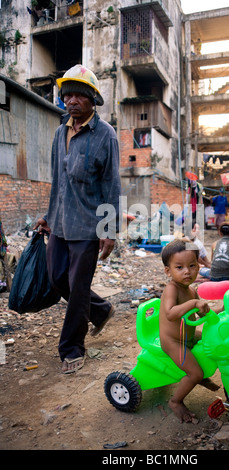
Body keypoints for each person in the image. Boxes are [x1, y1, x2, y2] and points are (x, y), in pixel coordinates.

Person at [34, 65, 121, 374]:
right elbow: (58, 179)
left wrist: (109, 230)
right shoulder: (60, 132)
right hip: (59, 221)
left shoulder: (105, 134)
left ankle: (72, 348)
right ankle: (101, 309)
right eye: (67, 94)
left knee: (77, 287)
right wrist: (48, 215)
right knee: (58, 278)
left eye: (78, 95)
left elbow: (112, 184)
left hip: (87, 225)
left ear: (92, 99)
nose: (71, 100)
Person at [159, 239, 220, 423]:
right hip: (173, 342)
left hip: (189, 336)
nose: (187, 271)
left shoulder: (191, 290)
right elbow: (170, 314)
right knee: (195, 373)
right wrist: (193, 303)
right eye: (179, 267)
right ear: (168, 271)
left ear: (198, 266)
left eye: (192, 265)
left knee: (212, 342)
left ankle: (197, 375)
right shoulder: (172, 289)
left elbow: (202, 313)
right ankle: (176, 401)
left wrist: (221, 308)